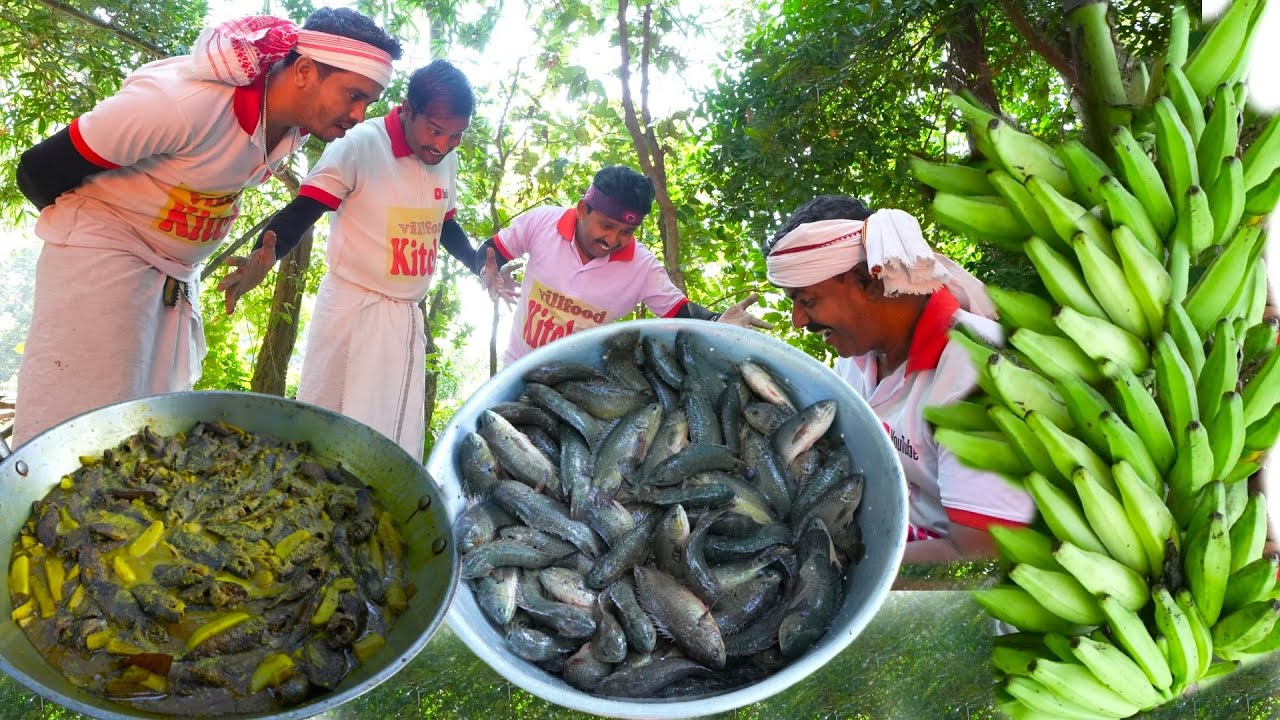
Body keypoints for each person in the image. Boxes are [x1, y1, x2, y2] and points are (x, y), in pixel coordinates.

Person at [11, 9, 403, 446]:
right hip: (102, 270)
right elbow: (37, 171)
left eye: (368, 101)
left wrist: (250, 256)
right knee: (75, 431)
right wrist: (91, 243)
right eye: (353, 95)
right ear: (306, 71)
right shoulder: (181, 104)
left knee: (145, 434)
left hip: (171, 279)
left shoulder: (297, 128)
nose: (358, 113)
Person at [217, 60, 476, 461]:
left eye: (455, 136)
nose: (442, 146)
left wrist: (478, 264)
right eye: (435, 130)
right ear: (407, 109)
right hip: (351, 307)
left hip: (400, 321)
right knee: (325, 424)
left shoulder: (446, 160)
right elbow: (306, 209)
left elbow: (445, 224)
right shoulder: (360, 144)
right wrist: (263, 256)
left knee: (386, 444)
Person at [762, 195, 1035, 563]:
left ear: (869, 281)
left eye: (808, 301)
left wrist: (833, 575)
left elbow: (979, 557)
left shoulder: (978, 377)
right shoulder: (860, 356)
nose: (798, 321)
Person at [471, 165, 771, 365]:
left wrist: (718, 323)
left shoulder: (641, 267)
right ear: (582, 209)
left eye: (626, 232)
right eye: (606, 226)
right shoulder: (542, 222)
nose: (613, 240)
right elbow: (490, 252)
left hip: (578, 383)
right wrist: (490, 272)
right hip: (516, 365)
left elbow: (680, 312)